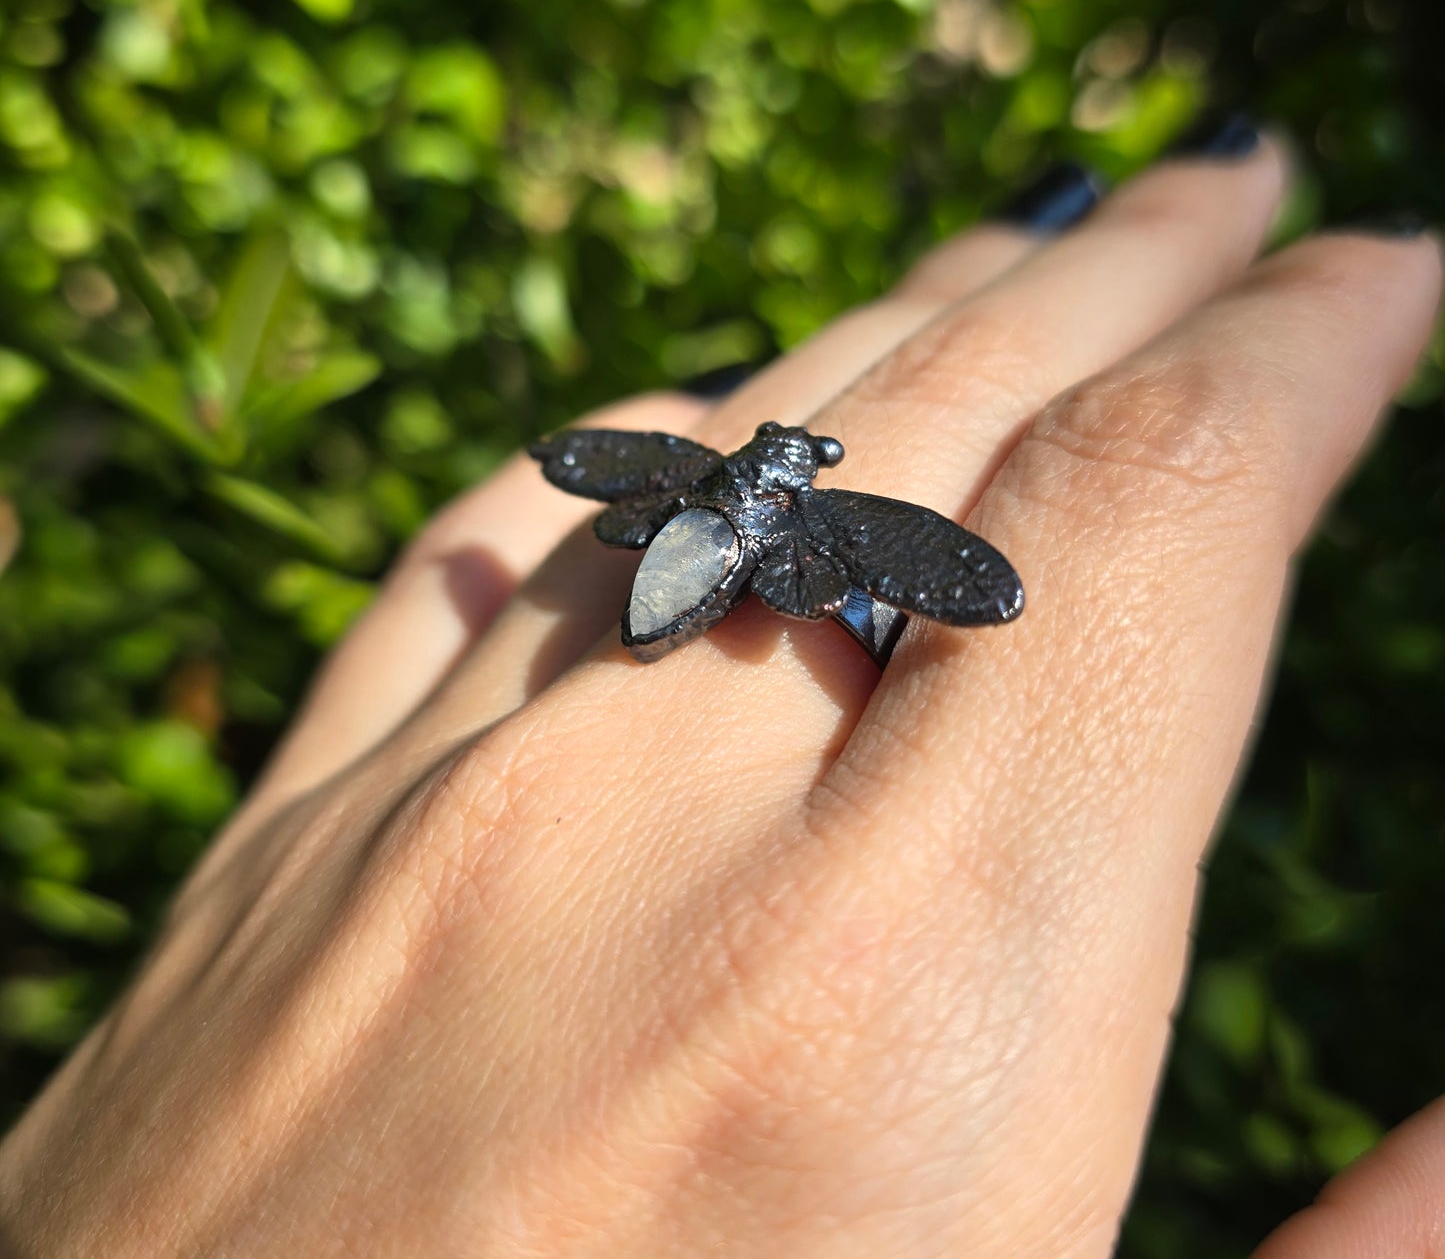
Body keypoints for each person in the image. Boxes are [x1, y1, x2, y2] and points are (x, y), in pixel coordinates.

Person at [0, 114, 1438, 1257]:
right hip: (696, 554)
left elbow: (924, 566)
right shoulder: (815, 533)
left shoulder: (732, 492)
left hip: (680, 541)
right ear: (801, 481)